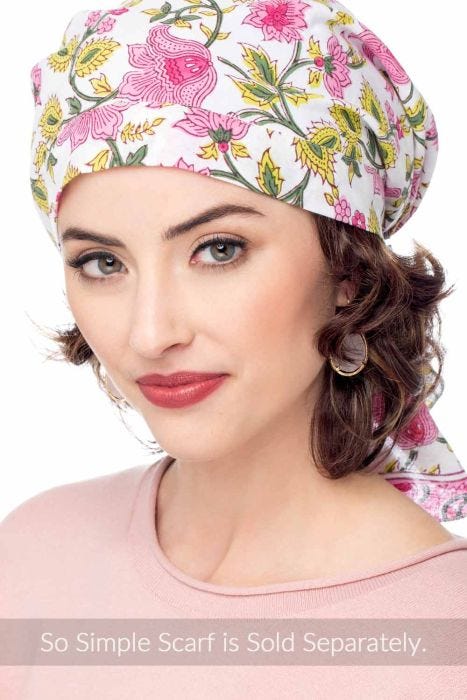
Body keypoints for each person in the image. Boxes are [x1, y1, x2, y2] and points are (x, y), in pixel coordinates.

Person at [1, 0, 466, 696]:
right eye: (103, 263)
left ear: (348, 275)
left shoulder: (444, 638)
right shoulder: (33, 552)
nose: (150, 333)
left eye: (219, 250)